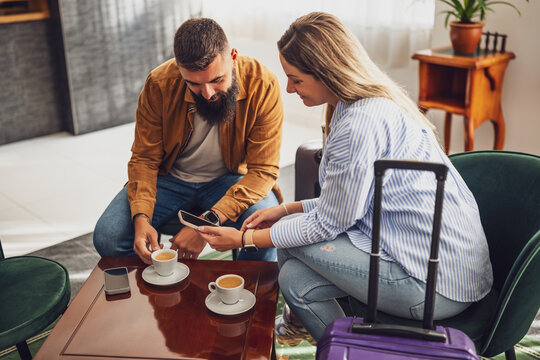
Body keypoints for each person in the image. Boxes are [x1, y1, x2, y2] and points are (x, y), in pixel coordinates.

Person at [197, 12, 493, 345]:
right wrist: (285, 209)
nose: (289, 89)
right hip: (443, 265)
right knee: (294, 279)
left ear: (326, 73)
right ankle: (345, 346)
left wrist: (242, 240)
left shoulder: (357, 125)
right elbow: (349, 200)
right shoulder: (361, 104)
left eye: (296, 79)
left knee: (288, 244)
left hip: (434, 284)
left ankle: (355, 347)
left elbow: (327, 225)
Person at [93, 17, 283, 263]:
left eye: (217, 80)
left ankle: (243, 297)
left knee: (264, 232)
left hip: (231, 178)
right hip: (169, 178)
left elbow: (263, 171)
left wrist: (203, 225)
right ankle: (154, 293)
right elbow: (144, 159)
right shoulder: (160, 83)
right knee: (108, 237)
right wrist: (141, 219)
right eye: (193, 84)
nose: (207, 93)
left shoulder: (262, 84)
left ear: (233, 57)